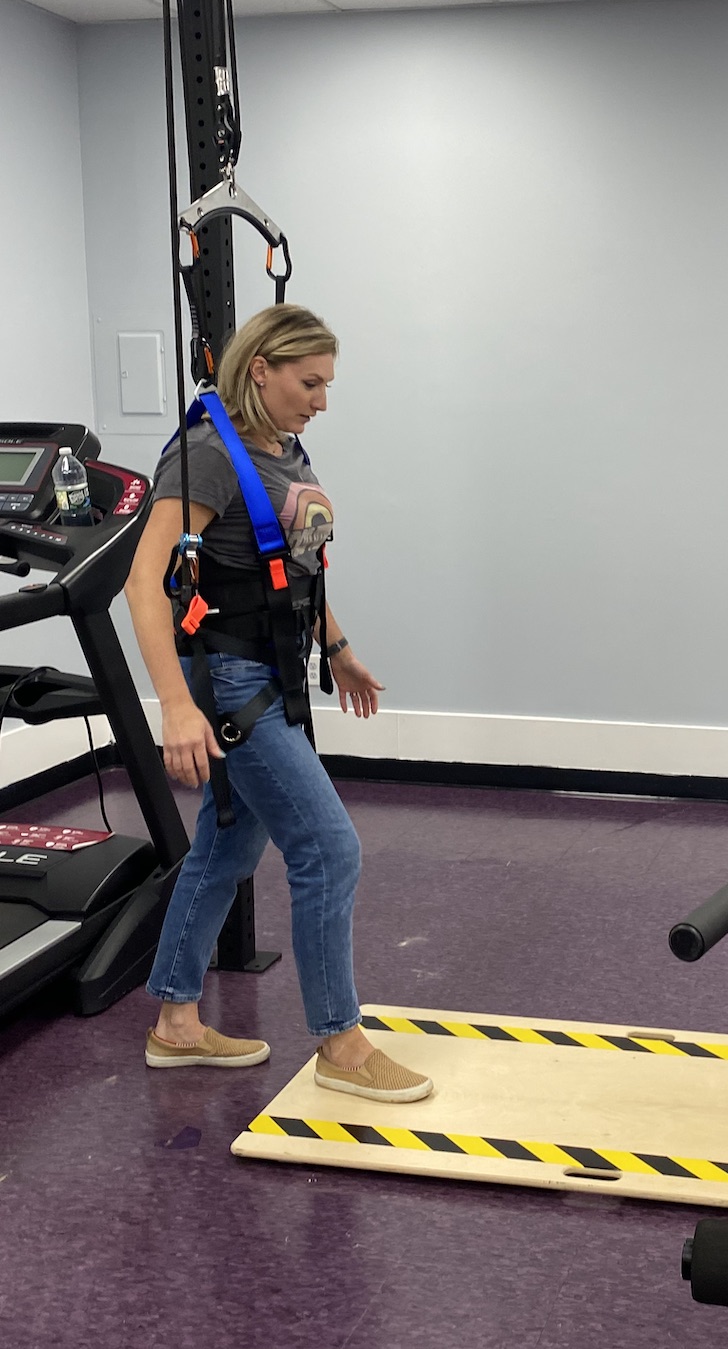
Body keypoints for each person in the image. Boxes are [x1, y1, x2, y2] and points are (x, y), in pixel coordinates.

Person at [124, 303, 432, 1104]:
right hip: (229, 682)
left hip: (277, 670)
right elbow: (144, 581)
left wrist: (337, 648)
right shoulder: (207, 457)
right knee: (329, 850)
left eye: (327, 384)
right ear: (260, 369)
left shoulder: (284, 447)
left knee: (226, 849)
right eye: (310, 381)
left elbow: (291, 566)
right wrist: (173, 705)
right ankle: (340, 1042)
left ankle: (177, 1024)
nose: (322, 400)